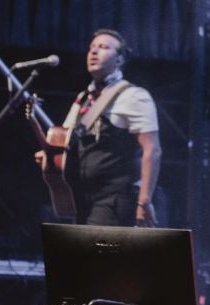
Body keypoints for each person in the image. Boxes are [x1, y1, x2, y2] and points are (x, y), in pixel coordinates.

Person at [44, 29, 161, 227]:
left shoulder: (134, 96)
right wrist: (50, 156)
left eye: (104, 47)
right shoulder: (83, 98)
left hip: (113, 201)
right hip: (80, 199)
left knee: (100, 256)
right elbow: (67, 141)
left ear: (120, 60)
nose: (94, 52)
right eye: (92, 48)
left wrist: (144, 201)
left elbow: (152, 149)